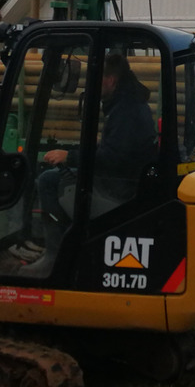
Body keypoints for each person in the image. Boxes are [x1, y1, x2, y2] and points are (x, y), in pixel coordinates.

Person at [27, 52, 156, 266]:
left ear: (111, 80)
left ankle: (54, 255)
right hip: (123, 177)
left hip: (118, 186)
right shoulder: (126, 104)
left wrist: (69, 156)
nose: (93, 84)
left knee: (48, 181)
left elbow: (112, 158)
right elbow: (117, 148)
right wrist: (90, 148)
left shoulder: (126, 111)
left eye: (97, 78)